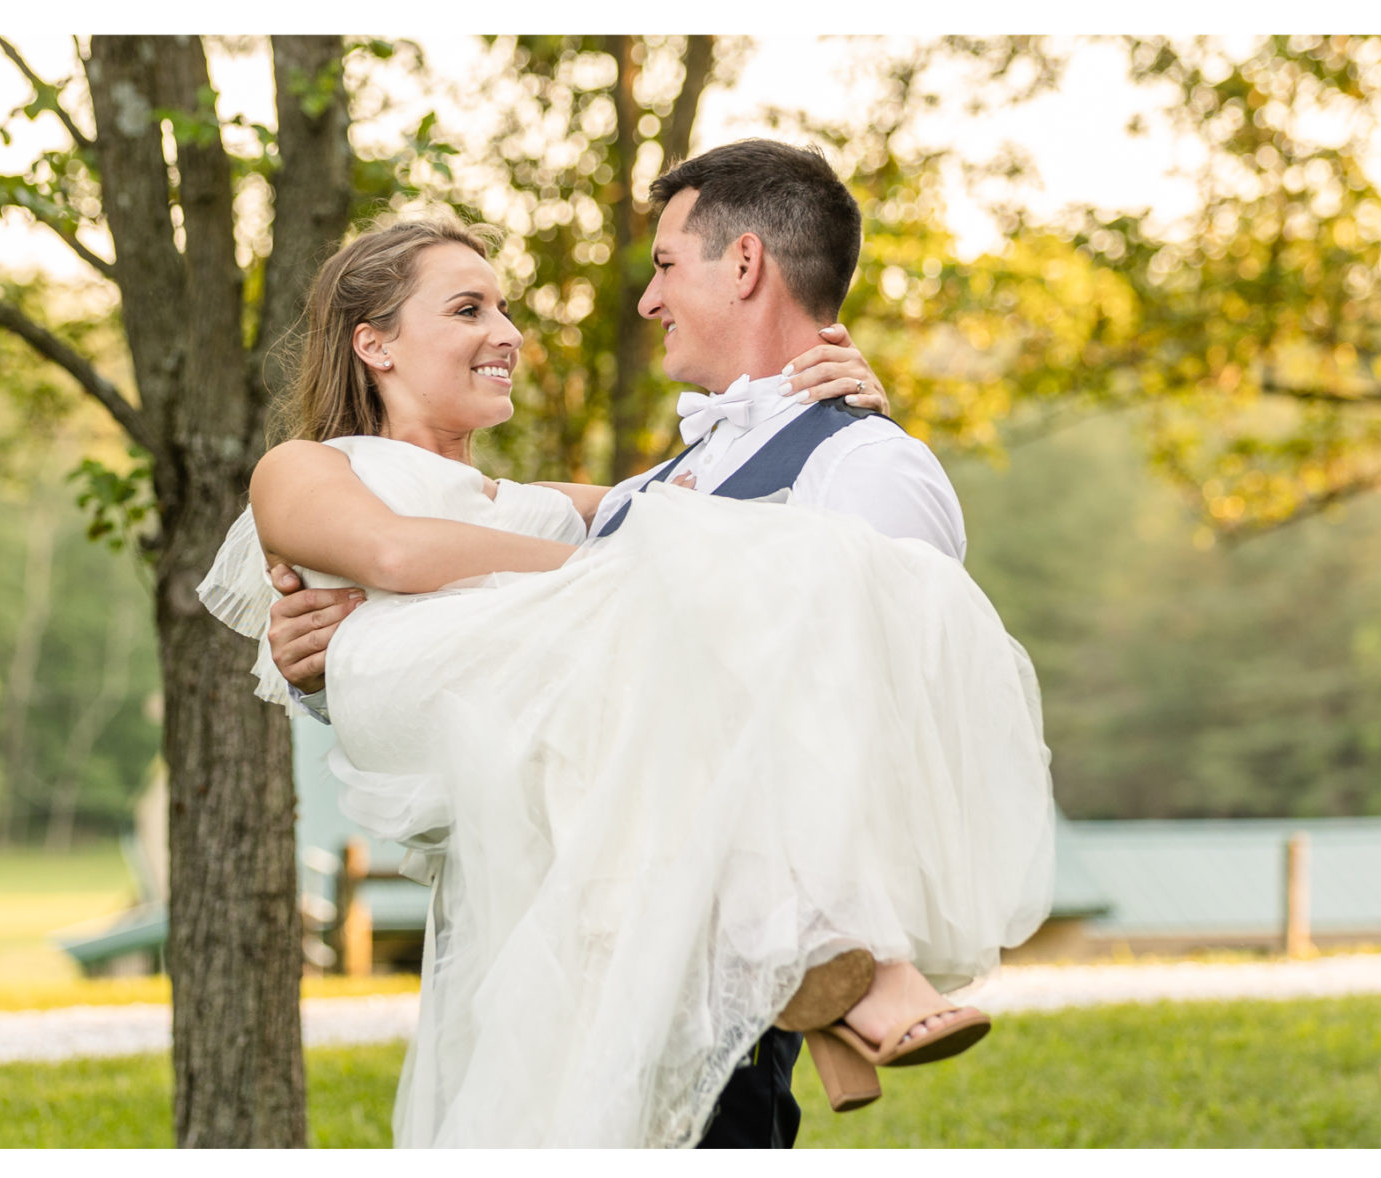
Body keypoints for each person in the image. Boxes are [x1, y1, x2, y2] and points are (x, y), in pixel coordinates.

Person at [212, 146, 1054, 1148]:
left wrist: (830, 398)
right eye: (468, 309)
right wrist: (623, 568)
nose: (509, 333)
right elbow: (399, 550)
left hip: (644, 903)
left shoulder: (571, 508)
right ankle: (835, 958)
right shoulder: (311, 468)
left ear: (740, 266)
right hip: (517, 856)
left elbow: (815, 604)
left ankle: (823, 956)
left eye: (502, 307)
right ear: (374, 345)